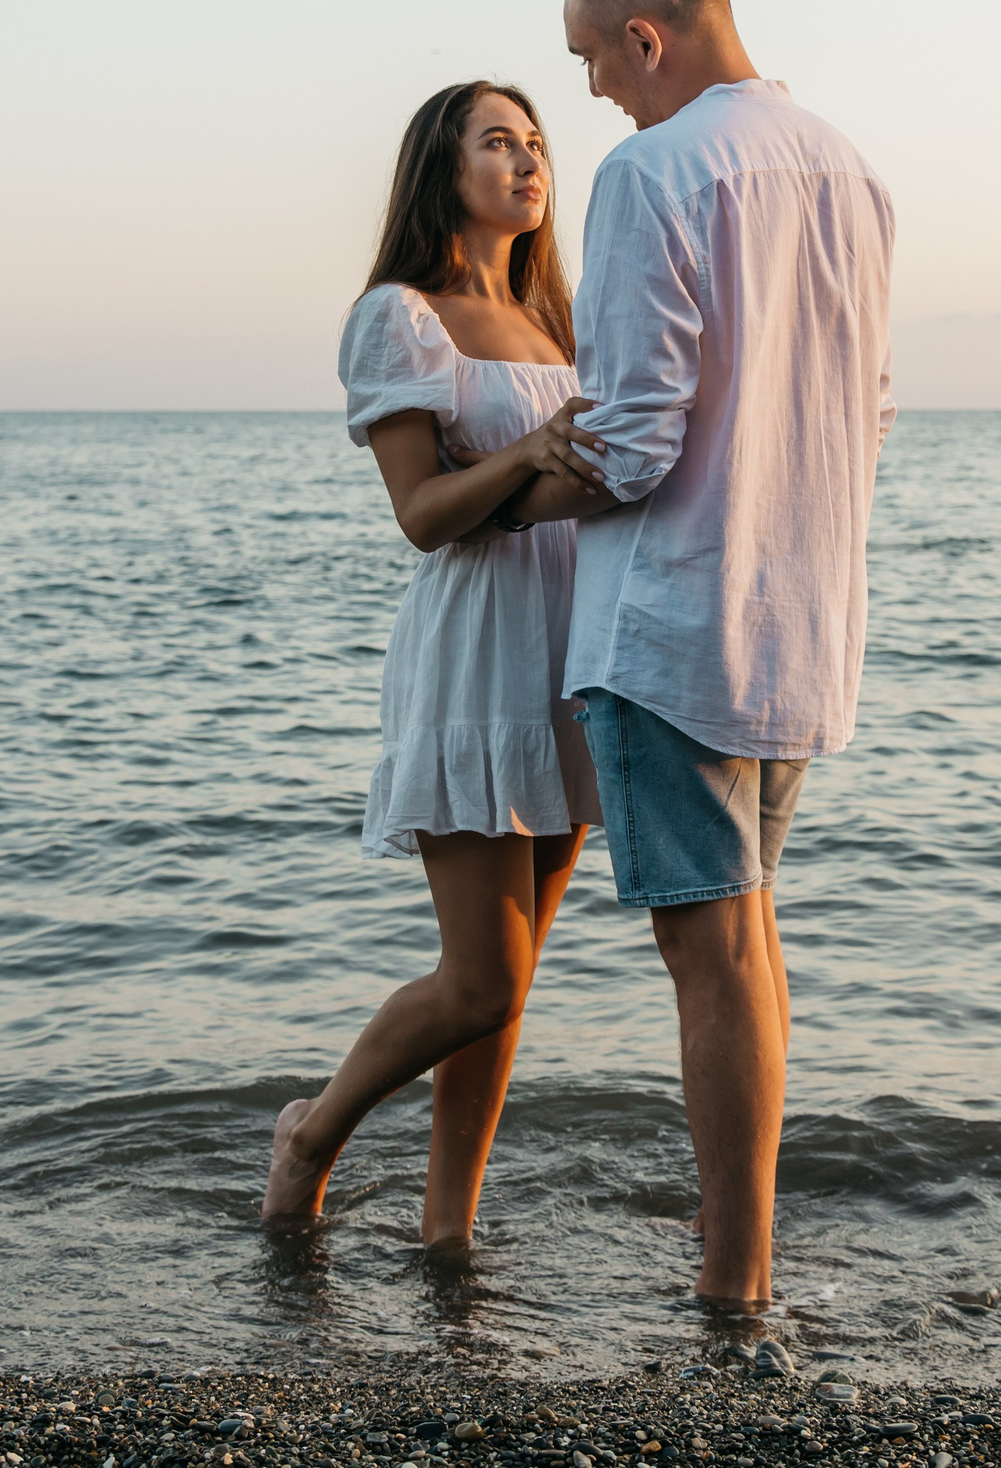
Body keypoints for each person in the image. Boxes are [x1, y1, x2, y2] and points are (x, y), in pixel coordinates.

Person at [492, 0, 896, 1306]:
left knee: (711, 955)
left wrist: (505, 496)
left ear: (644, 33)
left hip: (673, 621)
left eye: (593, 54)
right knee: (752, 936)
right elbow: (872, 407)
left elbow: (635, 438)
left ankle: (735, 1283)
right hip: (799, 617)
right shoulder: (850, 169)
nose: (591, 86)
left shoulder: (653, 169)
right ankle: (747, 1260)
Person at [260, 81, 611, 1249]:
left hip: (573, 649)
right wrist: (527, 452)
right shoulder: (402, 317)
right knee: (481, 981)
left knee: (507, 994)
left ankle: (447, 1229)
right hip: (477, 652)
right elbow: (420, 514)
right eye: (497, 143)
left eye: (536, 144)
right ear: (440, 168)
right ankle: (311, 1134)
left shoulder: (561, 318)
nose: (527, 163)